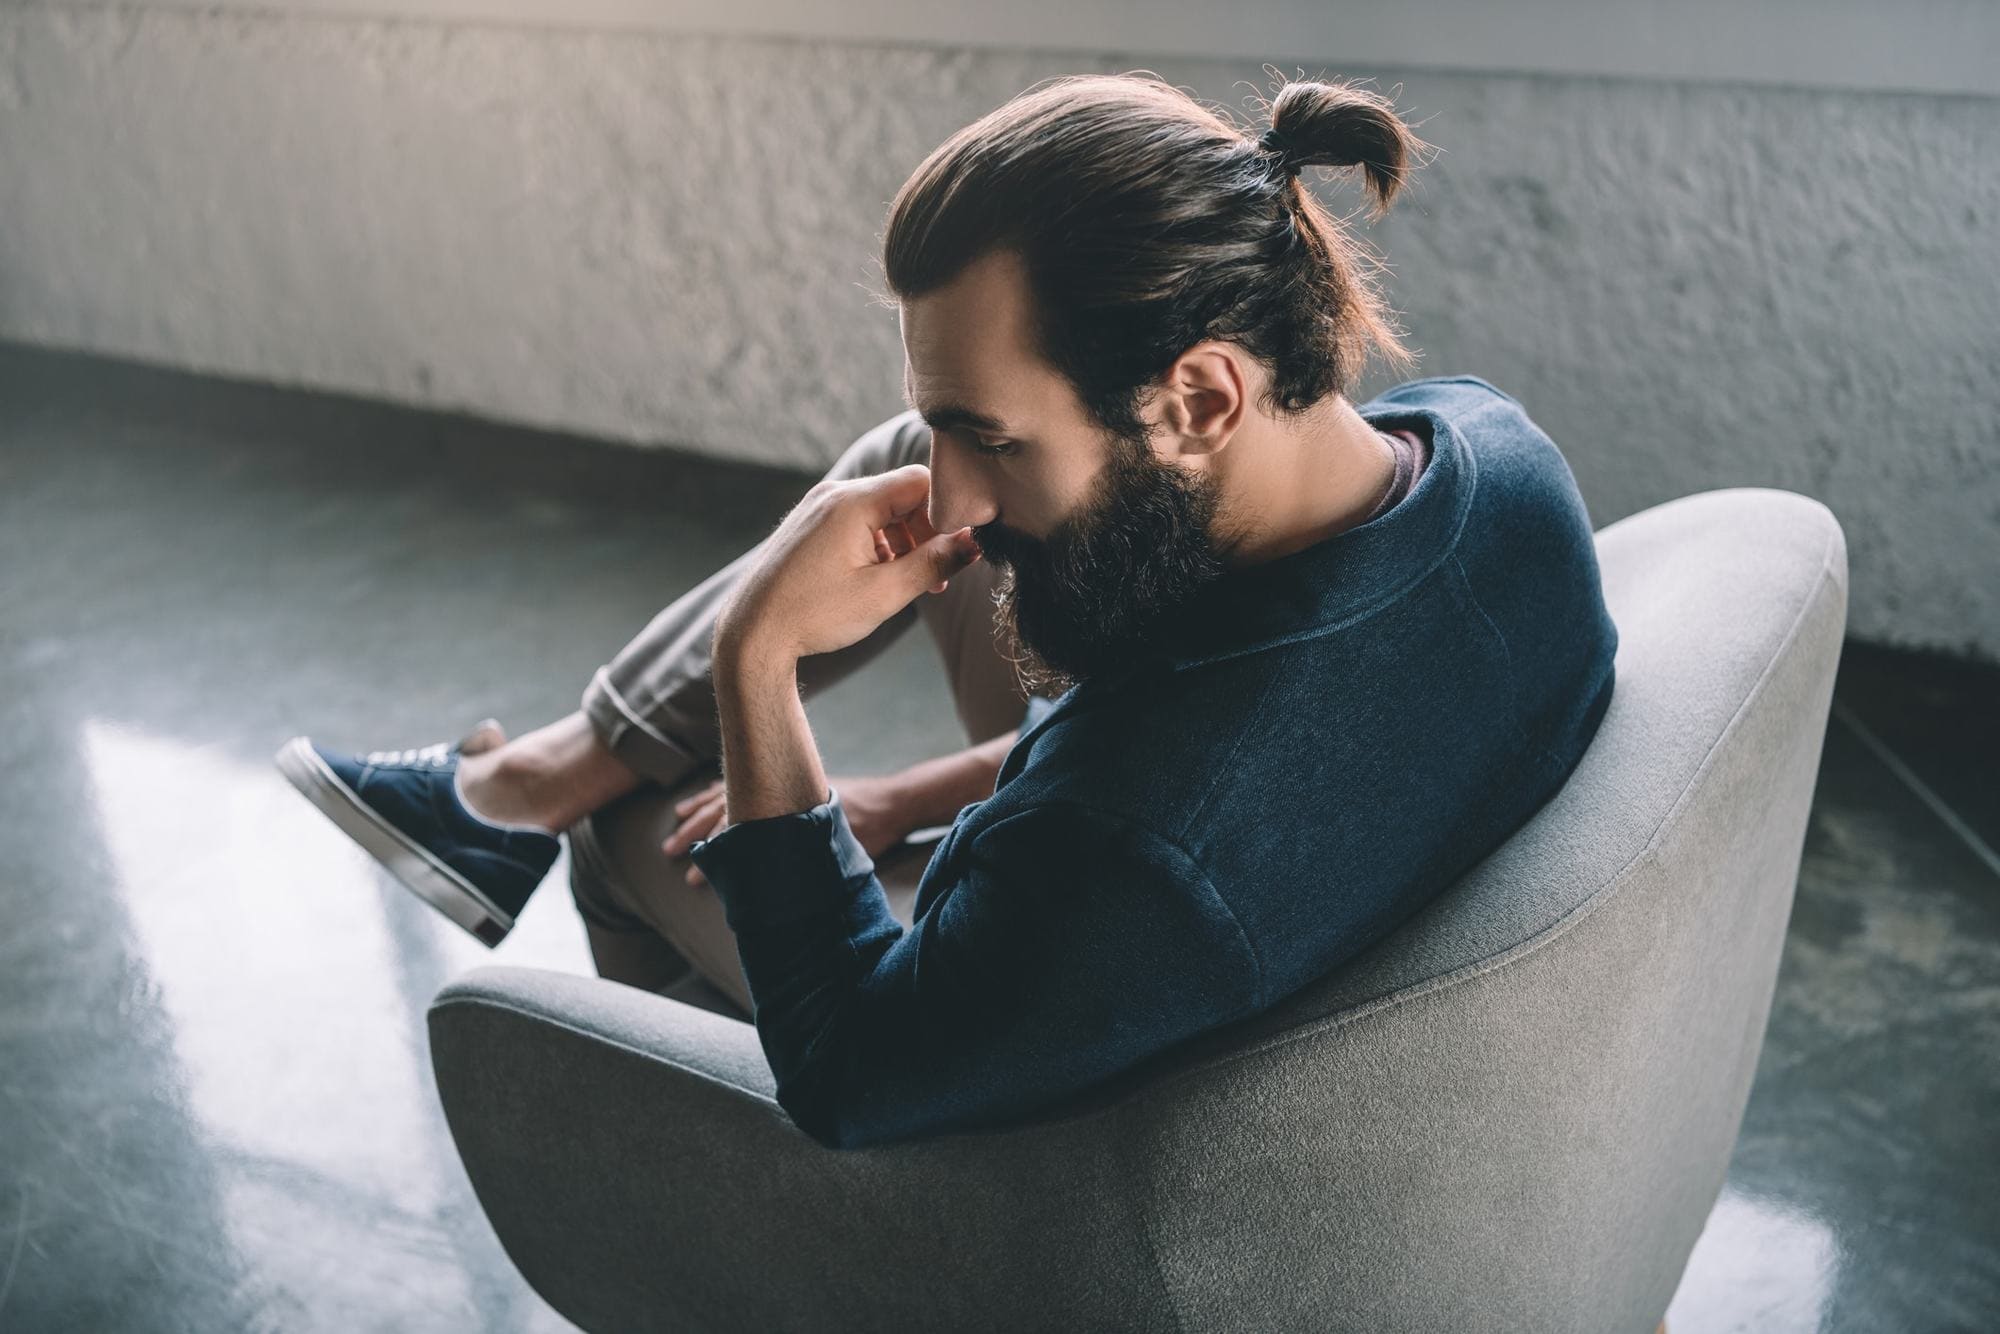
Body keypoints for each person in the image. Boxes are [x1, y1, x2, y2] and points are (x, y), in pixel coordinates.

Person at [277, 71, 1618, 1150]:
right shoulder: (1494, 457)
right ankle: (523, 785)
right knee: (897, 472)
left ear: (1204, 395)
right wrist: (906, 792)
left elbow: (857, 1068)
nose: (957, 502)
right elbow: (1219, 748)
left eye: (990, 438)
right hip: (1246, 848)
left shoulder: (1133, 830)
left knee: (632, 824)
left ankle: (720, 1194)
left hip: (1031, 1046)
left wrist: (761, 652)